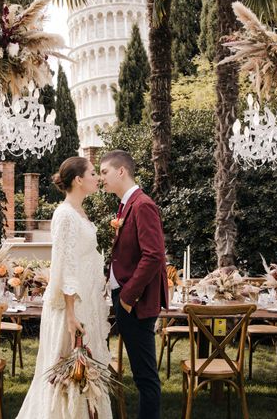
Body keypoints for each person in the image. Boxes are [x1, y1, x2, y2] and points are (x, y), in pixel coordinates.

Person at [16, 157, 111, 419]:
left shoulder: (80, 212)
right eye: (93, 173)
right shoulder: (65, 214)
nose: (97, 178)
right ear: (79, 180)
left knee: (86, 371)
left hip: (87, 301)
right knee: (68, 372)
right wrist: (70, 314)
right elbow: (67, 265)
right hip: (72, 306)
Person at [100, 149, 167, 419]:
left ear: (121, 171)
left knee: (145, 377)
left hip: (136, 304)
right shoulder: (126, 205)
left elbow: (154, 255)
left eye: (104, 172)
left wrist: (127, 297)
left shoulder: (142, 205)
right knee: (142, 376)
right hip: (125, 300)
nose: (101, 178)